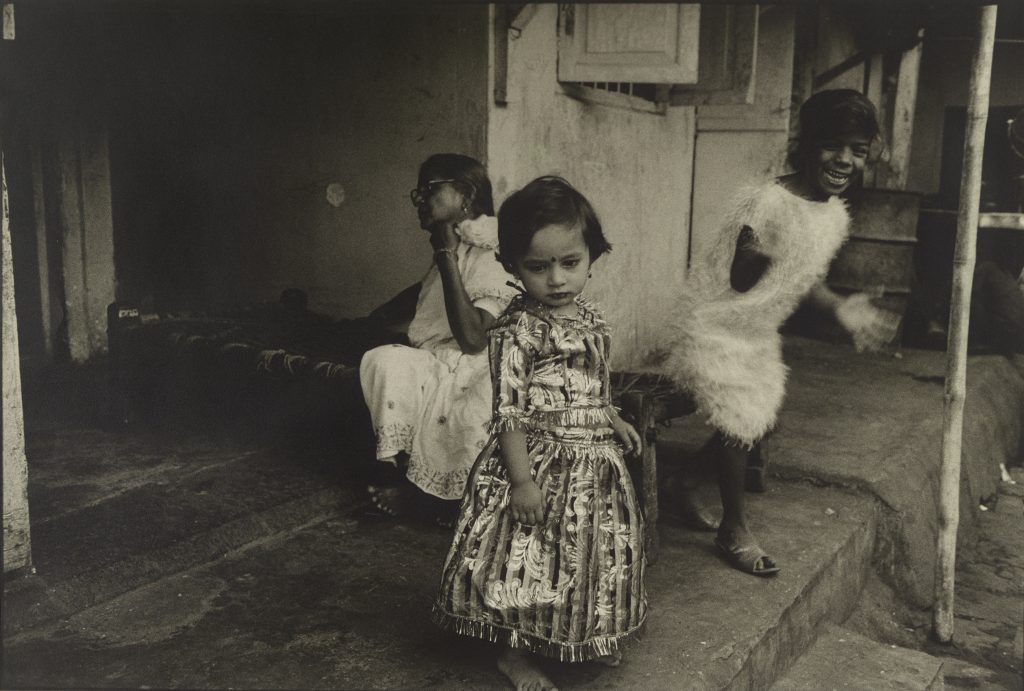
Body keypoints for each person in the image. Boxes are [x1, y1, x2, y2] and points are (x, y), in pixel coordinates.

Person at [663, 89, 899, 577]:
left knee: (761, 421)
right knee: (741, 421)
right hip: (714, 324)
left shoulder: (834, 214)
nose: (845, 160)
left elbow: (805, 276)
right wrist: (762, 248)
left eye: (857, 150)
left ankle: (685, 480)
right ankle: (735, 528)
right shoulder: (767, 200)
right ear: (808, 144)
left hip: (756, 331)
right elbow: (740, 280)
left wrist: (838, 307)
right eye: (834, 145)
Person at [433, 177, 645, 690]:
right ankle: (515, 652)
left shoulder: (593, 320)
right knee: (527, 557)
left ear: (592, 254)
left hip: (595, 459)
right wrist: (522, 481)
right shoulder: (516, 331)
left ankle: (579, 631)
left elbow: (593, 382)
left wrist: (612, 417)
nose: (556, 279)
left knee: (590, 549)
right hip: (540, 460)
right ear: (511, 266)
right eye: (537, 266)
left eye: (570, 263)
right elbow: (509, 414)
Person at [359, 154, 519, 523]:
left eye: (429, 190)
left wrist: (445, 251)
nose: (419, 200)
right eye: (417, 192)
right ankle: (408, 481)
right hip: (445, 356)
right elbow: (431, 322)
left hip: (483, 358)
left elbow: (473, 339)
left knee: (470, 397)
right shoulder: (454, 246)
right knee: (385, 360)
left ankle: (433, 501)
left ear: (465, 194)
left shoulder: (490, 247)